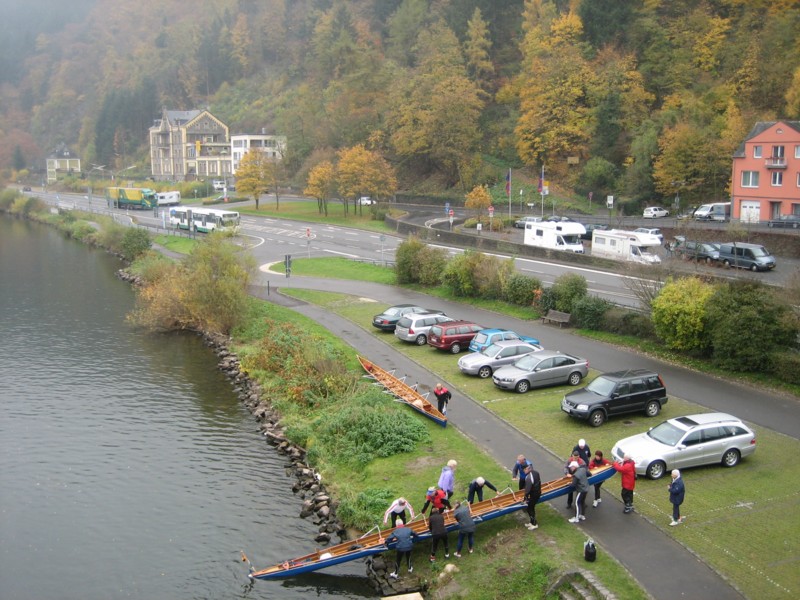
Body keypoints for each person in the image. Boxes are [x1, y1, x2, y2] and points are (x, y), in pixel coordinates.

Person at [523, 464, 542, 531]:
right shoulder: (536, 472)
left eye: (524, 470)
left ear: (528, 469)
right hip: (538, 492)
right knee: (531, 507)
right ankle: (531, 522)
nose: (524, 471)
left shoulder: (528, 477)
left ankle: (534, 524)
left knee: (529, 508)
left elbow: (527, 490)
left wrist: (525, 499)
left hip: (534, 495)